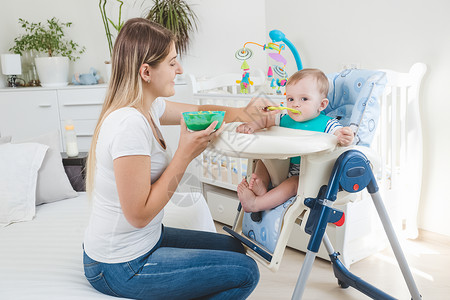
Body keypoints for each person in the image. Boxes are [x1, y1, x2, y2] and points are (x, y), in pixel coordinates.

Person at [83, 18, 269, 300]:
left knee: (235, 249)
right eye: (172, 63)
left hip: (148, 240)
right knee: (246, 272)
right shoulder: (128, 125)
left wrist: (245, 112)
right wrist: (184, 155)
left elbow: (199, 110)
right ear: (146, 71)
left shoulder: (149, 106)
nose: (179, 70)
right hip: (120, 265)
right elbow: (138, 215)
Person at [236, 68, 354, 213]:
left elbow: (340, 136)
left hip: (308, 174)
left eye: (304, 99)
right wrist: (251, 125)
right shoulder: (285, 118)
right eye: (290, 99)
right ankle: (263, 187)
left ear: (322, 105)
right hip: (284, 166)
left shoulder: (327, 124)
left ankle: (256, 203)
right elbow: (266, 121)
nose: (295, 104)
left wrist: (345, 137)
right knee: (262, 161)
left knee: (293, 183)